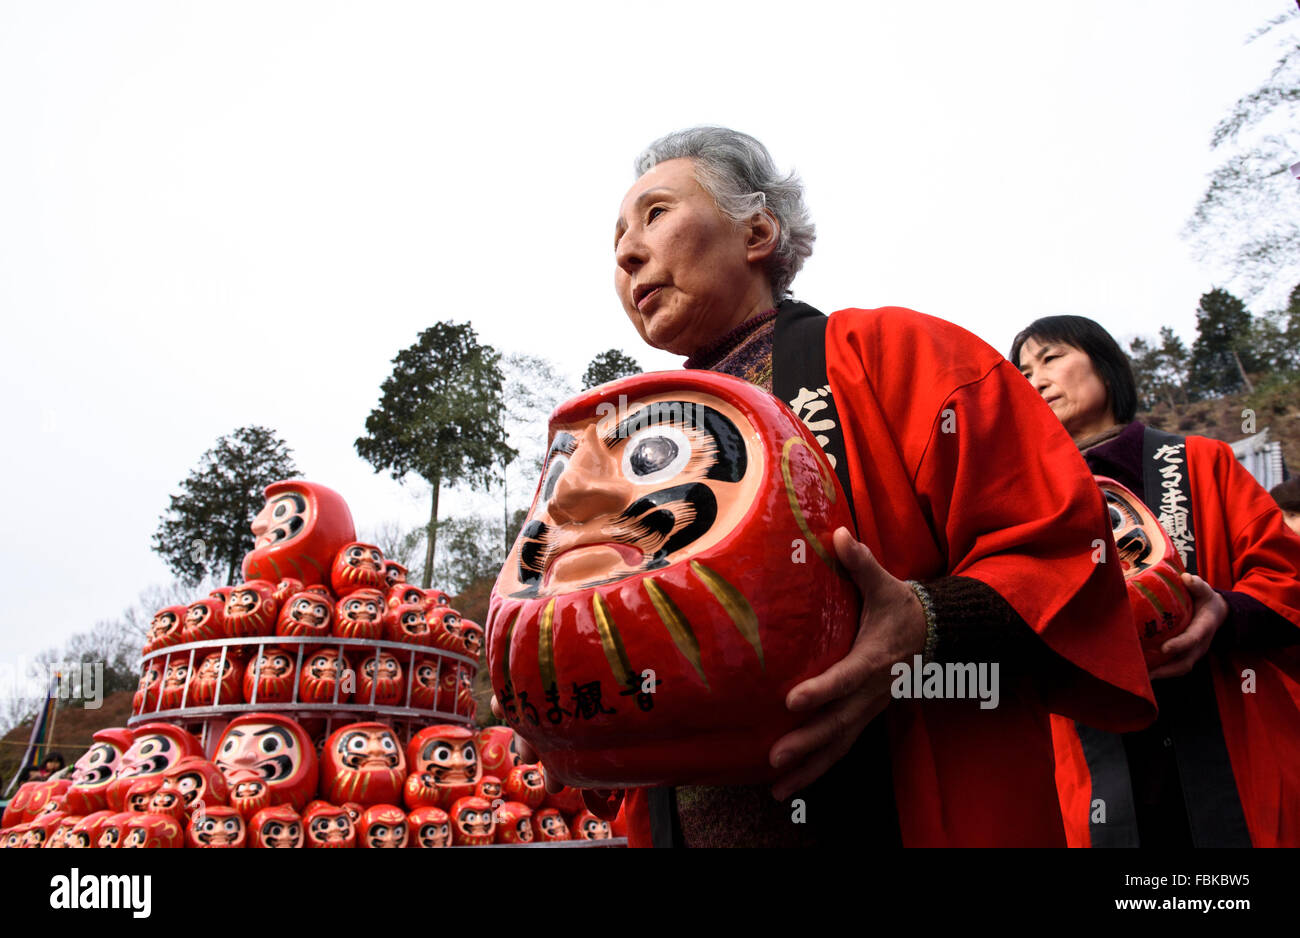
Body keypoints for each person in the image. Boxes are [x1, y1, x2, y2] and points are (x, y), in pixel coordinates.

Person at [503, 126, 1157, 847]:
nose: (626, 253)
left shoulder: (901, 356)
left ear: (757, 231)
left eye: (655, 214)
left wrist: (927, 627)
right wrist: (573, 716)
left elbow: (1066, 556)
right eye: (616, 239)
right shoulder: (623, 443)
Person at [1012, 315, 1300, 847]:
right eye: (1023, 372)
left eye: (1050, 359)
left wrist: (1224, 614)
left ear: (1106, 365)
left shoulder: (1200, 462)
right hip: (1098, 763)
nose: (1036, 379)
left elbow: (1287, 575)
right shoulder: (1022, 504)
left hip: (1233, 741)